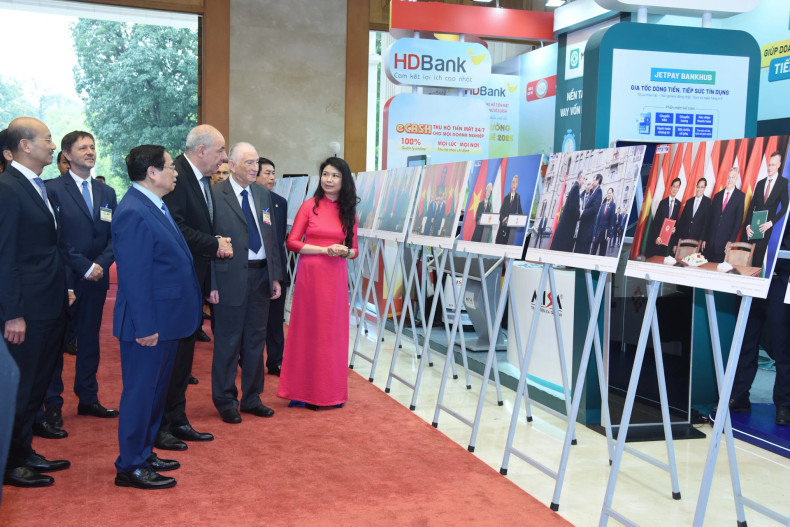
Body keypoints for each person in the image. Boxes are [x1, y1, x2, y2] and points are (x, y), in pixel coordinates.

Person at [112, 144, 201, 489]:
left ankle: (143, 452)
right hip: (148, 325)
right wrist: (146, 326)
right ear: (152, 172)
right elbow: (134, 276)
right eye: (169, 166)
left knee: (155, 394)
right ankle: (130, 466)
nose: (175, 171)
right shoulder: (134, 210)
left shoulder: (153, 205)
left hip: (166, 321)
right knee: (140, 394)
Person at [0, 117, 71, 487]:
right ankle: (10, 462)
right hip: (26, 310)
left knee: (38, 383)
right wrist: (13, 314)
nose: (52, 144)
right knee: (22, 386)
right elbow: (5, 256)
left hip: (50, 303)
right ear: (25, 145)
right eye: (46, 138)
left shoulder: (36, 186)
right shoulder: (8, 188)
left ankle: (24, 449)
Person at [36, 131, 118, 440]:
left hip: (96, 279)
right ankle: (53, 404)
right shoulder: (52, 189)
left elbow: (112, 236)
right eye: (82, 147)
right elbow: (54, 238)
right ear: (67, 155)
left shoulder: (107, 192)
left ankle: (88, 397)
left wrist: (100, 265)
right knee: (56, 343)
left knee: (90, 340)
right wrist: (84, 266)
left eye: (93, 146)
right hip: (64, 278)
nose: (90, 151)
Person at [156, 124, 231, 451]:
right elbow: (177, 228)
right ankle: (159, 426)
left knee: (184, 359)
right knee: (168, 362)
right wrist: (214, 243)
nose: (223, 158)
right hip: (173, 285)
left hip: (192, 284)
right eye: (220, 151)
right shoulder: (175, 177)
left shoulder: (199, 179)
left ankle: (178, 419)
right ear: (202, 151)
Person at [209, 144, 284, 423]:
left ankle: (252, 397)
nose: (255, 168)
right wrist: (211, 283)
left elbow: (271, 238)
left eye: (256, 163)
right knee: (228, 342)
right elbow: (207, 243)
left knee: (255, 340)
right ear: (233, 163)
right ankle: (225, 399)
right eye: (249, 163)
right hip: (229, 277)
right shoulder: (215, 194)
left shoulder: (263, 194)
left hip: (262, 276)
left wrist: (275, 275)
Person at [277, 157, 358, 408]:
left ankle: (329, 392)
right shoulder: (308, 206)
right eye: (325, 174)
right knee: (307, 331)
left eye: (335, 175)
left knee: (331, 334)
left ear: (343, 180)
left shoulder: (349, 211)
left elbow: (354, 249)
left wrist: (343, 252)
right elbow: (292, 242)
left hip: (335, 277)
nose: (329, 180)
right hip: (311, 275)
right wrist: (323, 250)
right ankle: (302, 390)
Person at [730, 225, 790, 425]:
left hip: (781, 278)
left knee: (783, 345)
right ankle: (738, 397)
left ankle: (785, 405)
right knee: (745, 341)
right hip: (752, 277)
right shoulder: (758, 196)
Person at [256, 157, 288, 376]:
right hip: (253, 268)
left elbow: (279, 238)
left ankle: (276, 360)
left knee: (275, 319)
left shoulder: (279, 202)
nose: (272, 178)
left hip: (276, 266)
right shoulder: (247, 200)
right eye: (266, 173)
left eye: (273, 173)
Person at [745, 151, 788, 269]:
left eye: (773, 165)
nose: (770, 167)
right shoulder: (760, 183)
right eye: (769, 165)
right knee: (744, 261)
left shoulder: (783, 183)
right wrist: (748, 226)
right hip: (751, 230)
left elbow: (785, 206)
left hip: (765, 229)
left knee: (757, 263)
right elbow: (751, 207)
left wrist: (771, 223)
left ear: (779, 165)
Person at [705, 168, 745, 264]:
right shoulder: (717, 196)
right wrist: (705, 239)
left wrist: (731, 241)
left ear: (736, 179)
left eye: (733, 177)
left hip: (724, 244)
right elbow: (709, 220)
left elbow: (738, 220)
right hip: (710, 243)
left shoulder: (740, 196)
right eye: (729, 177)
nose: (730, 179)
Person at [670, 178, 712, 255]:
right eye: (698, 187)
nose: (699, 189)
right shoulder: (689, 202)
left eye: (701, 187)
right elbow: (681, 223)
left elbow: (706, 224)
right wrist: (676, 243)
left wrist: (702, 240)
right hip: (684, 240)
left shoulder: (708, 202)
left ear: (705, 188)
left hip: (697, 242)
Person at [646, 177, 681, 258]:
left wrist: (674, 228)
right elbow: (655, 222)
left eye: (677, 187)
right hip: (658, 239)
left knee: (662, 260)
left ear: (678, 189)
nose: (674, 189)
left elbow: (676, 222)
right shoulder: (662, 203)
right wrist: (657, 236)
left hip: (668, 241)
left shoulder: (678, 204)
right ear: (670, 187)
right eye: (673, 186)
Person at [550, 170, 583, 252]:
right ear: (580, 178)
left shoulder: (575, 187)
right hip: (566, 229)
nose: (584, 182)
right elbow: (573, 208)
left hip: (565, 228)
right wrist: (580, 213)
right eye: (584, 179)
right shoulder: (575, 188)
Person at [574, 174, 603, 254]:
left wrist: (583, 212)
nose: (593, 182)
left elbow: (594, 209)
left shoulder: (599, 192)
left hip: (588, 230)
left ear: (597, 181)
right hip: (584, 228)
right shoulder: (594, 192)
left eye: (594, 180)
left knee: (583, 251)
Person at [496, 175, 523, 245]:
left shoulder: (518, 197)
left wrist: (521, 219)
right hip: (503, 228)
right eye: (513, 182)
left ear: (517, 185)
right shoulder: (506, 197)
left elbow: (520, 211)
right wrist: (503, 218)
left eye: (516, 183)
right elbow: (500, 213)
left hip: (511, 229)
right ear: (511, 184)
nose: (514, 184)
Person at [590, 187, 616, 256]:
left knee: (602, 252)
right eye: (608, 193)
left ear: (612, 194)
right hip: (598, 232)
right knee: (593, 251)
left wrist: (609, 234)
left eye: (610, 193)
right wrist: (594, 234)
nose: (608, 194)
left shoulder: (613, 205)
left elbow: (611, 221)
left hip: (605, 233)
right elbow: (598, 220)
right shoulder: (603, 205)